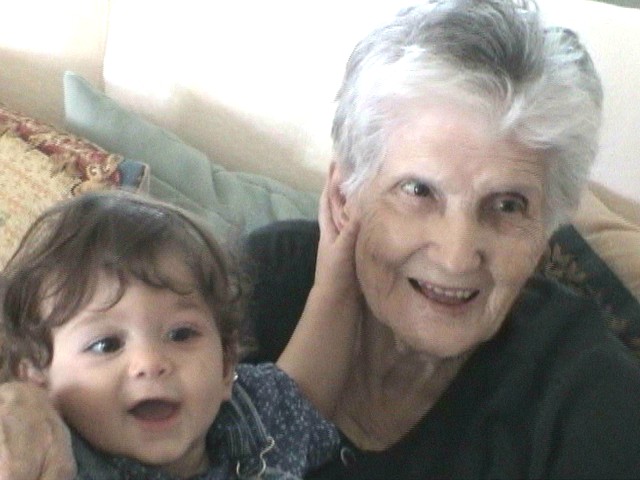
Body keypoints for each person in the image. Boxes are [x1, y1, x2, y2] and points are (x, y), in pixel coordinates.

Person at [2, 0, 640, 478]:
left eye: (507, 206)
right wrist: (25, 407)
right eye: (419, 190)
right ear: (345, 193)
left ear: (546, 227)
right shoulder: (255, 282)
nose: (455, 254)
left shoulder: (586, 398)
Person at [0, 189, 360, 480]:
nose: (151, 362)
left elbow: (305, 393)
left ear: (225, 364)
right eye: (106, 345)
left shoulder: (253, 412)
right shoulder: (49, 459)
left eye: (181, 334)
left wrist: (340, 268)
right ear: (38, 378)